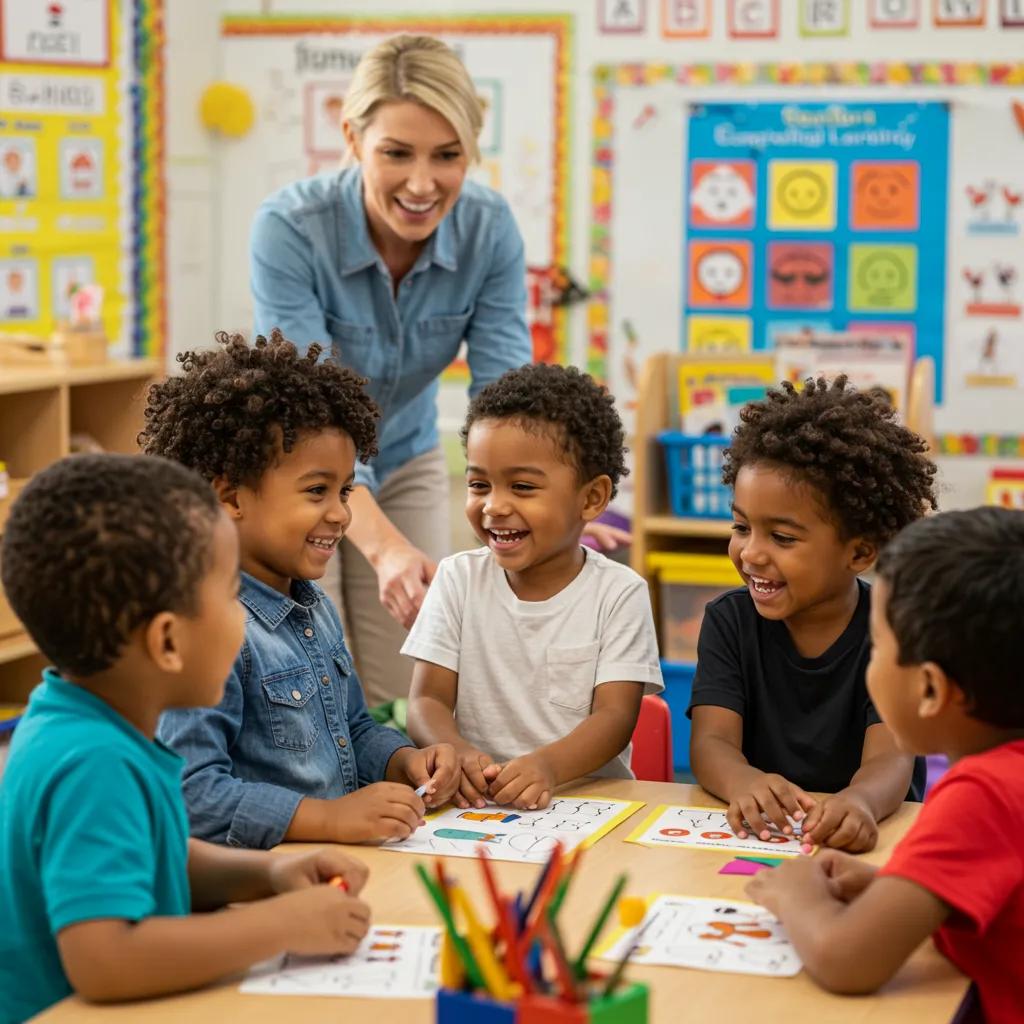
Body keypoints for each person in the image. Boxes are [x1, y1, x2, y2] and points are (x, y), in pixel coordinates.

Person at [249, 34, 625, 705]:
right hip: (299, 468)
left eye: (447, 156)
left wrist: (541, 503)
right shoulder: (289, 228)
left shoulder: (489, 229)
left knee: (411, 679)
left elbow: (504, 395)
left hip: (407, 454)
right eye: (396, 153)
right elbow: (309, 414)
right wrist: (383, 548)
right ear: (353, 137)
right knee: (310, 671)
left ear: (470, 153)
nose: (422, 184)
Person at [0, 454, 373, 1022]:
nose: (242, 615)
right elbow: (105, 960)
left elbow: (154, 854)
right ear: (168, 642)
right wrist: (280, 926)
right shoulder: (94, 762)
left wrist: (266, 875)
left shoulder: (84, 721)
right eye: (230, 594)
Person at [140, 330, 459, 850]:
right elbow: (191, 795)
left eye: (345, 490)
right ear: (231, 496)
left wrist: (403, 760)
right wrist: (326, 820)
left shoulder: (313, 607)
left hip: (334, 869)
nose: (341, 514)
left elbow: (351, 727)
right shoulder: (208, 631)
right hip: (258, 890)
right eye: (317, 491)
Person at [746, 507, 1024, 1022]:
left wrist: (794, 892)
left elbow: (847, 961)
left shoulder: (983, 793)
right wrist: (888, 892)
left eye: (878, 651)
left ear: (930, 689)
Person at [689, 375, 937, 852]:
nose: (750, 554)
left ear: (859, 552)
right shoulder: (728, 620)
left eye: (782, 538)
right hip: (766, 838)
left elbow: (892, 758)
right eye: (741, 526)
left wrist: (860, 802)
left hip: (875, 834)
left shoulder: (892, 629)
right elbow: (710, 744)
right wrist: (743, 781)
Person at [404, 364, 663, 810]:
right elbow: (426, 699)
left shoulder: (620, 592)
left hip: (588, 805)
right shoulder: (457, 578)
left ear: (592, 498)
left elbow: (615, 717)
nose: (494, 505)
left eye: (522, 487)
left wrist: (547, 766)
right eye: (478, 484)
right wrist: (456, 751)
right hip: (479, 808)